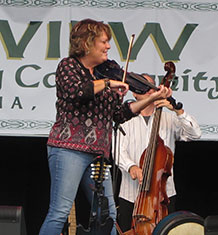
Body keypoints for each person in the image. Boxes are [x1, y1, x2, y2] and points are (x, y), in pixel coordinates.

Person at [39, 19, 171, 235]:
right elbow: (77, 92)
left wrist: (151, 97)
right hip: (69, 149)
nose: (108, 46)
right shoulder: (68, 66)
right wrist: (109, 83)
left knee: (108, 215)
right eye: (104, 41)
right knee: (60, 211)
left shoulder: (105, 73)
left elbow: (119, 114)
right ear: (87, 43)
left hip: (98, 154)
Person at [113, 74, 201, 232]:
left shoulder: (169, 119)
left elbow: (195, 134)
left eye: (152, 86)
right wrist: (132, 167)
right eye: (144, 86)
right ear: (135, 93)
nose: (149, 90)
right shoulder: (125, 119)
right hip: (130, 195)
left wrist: (178, 110)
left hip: (162, 197)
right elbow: (118, 150)